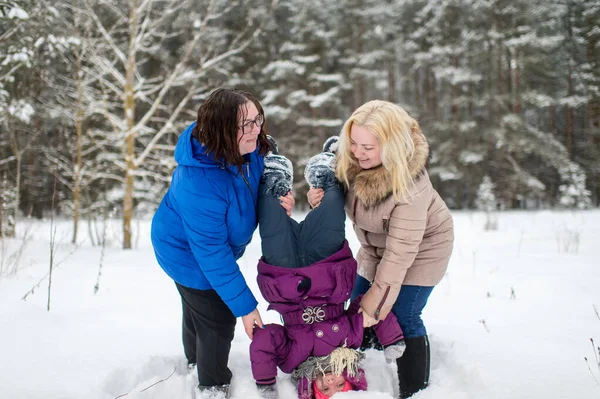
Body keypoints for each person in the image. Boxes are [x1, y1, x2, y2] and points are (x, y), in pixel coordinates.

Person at [150, 88, 293, 398]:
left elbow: (259, 182)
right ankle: (212, 387)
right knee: (217, 318)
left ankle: (193, 362)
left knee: (198, 309)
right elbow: (212, 255)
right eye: (246, 124)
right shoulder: (197, 182)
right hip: (184, 252)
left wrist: (278, 198)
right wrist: (246, 307)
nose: (256, 129)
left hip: (207, 247)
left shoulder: (249, 148)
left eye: (258, 119)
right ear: (221, 128)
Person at [307, 100, 454, 398]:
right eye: (354, 143)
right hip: (376, 246)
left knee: (401, 313)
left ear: (392, 147)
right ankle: (371, 361)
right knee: (357, 303)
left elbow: (399, 256)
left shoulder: (409, 187)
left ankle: (415, 390)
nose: (358, 152)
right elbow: (333, 190)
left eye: (368, 147)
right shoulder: (351, 160)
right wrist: (320, 200)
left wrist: (376, 306)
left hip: (424, 248)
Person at [250, 138, 406, 399]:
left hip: (285, 275)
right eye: (340, 386)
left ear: (310, 388)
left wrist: (265, 381)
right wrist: (392, 339)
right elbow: (363, 306)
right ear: (352, 381)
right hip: (328, 269)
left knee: (269, 213)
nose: (331, 381)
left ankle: (273, 171)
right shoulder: (351, 340)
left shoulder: (290, 360)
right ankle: (327, 170)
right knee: (333, 209)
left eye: (325, 389)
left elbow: (265, 339)